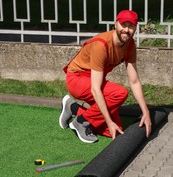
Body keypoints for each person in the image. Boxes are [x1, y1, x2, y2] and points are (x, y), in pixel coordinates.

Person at [59, 10, 152, 143]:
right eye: (123, 25)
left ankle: (73, 108)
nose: (126, 30)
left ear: (136, 28)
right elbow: (96, 89)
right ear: (115, 24)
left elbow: (135, 81)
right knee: (119, 93)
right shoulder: (101, 45)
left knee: (115, 130)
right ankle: (81, 122)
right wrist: (108, 120)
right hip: (77, 79)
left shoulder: (130, 44)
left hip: (94, 79)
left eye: (131, 26)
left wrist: (146, 112)